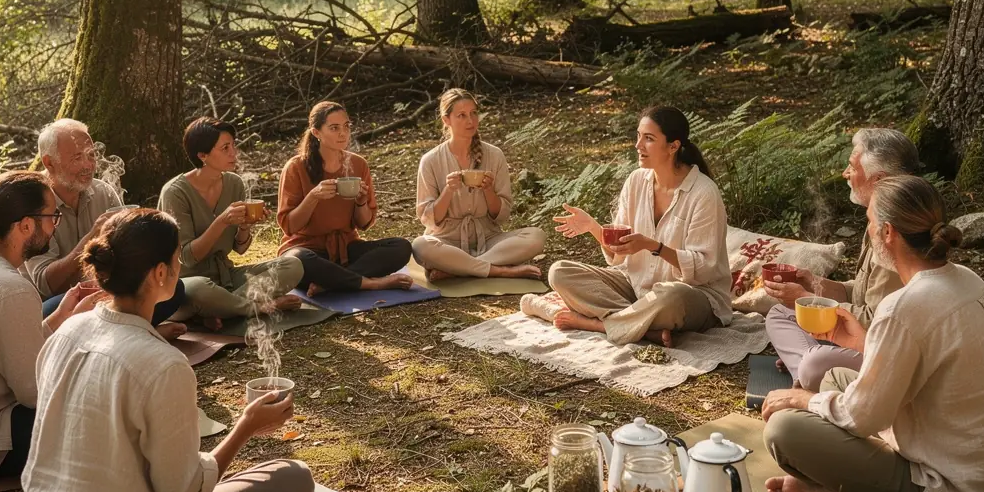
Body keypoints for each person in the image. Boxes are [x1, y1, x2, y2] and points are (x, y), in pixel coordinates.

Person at [22, 209, 315, 492]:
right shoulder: (163, 364)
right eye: (178, 258)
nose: (181, 266)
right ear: (160, 273)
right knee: (293, 477)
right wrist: (246, 426)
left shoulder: (70, 328)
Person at [762, 176, 984, 492]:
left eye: (870, 221)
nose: (868, 228)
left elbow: (861, 418)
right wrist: (862, 342)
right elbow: (925, 365)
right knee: (835, 378)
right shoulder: (967, 279)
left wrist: (802, 399)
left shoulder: (903, 306)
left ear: (888, 232)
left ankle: (855, 491)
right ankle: (850, 488)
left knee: (783, 429)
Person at [530, 106, 732, 346]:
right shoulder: (636, 180)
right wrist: (594, 227)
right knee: (560, 272)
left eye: (648, 138)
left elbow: (704, 268)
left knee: (670, 297)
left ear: (673, 146)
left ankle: (601, 324)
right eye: (638, 136)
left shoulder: (704, 192)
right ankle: (644, 327)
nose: (638, 145)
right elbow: (620, 250)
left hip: (692, 295)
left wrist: (653, 246)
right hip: (635, 286)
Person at [763, 128, 919, 389]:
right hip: (860, 336)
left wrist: (805, 300)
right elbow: (861, 294)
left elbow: (878, 323)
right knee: (781, 314)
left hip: (886, 350)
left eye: (851, 167)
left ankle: (809, 373)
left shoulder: (894, 233)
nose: (845, 174)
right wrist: (815, 286)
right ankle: (810, 368)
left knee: (816, 362)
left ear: (878, 179)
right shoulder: (879, 219)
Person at [0, 172, 93, 479]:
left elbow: (12, 346)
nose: (56, 225)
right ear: (26, 225)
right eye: (52, 216)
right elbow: (33, 393)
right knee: (97, 401)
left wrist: (62, 316)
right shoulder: (9, 287)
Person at [29, 118, 187, 338]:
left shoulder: (103, 191)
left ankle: (132, 333)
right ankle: (139, 333)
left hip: (103, 291)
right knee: (52, 310)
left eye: (91, 155)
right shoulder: (35, 202)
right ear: (49, 163)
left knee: (172, 287)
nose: (88, 165)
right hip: (57, 303)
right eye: (77, 158)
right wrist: (92, 236)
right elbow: (46, 285)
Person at [158, 118, 303, 320]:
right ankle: (259, 307)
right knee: (201, 289)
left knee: (292, 266)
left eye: (233, 145)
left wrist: (244, 227)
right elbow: (188, 257)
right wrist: (222, 221)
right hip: (187, 282)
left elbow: (240, 249)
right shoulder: (175, 193)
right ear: (202, 155)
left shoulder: (234, 183)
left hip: (226, 277)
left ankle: (222, 308)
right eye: (225, 148)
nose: (234, 153)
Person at [277, 102, 413, 295]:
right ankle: (371, 283)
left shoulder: (358, 164)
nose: (343, 133)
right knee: (298, 260)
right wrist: (313, 196)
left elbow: (364, 224)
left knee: (401, 247)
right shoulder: (296, 167)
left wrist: (361, 201)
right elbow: (289, 226)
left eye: (346, 126)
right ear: (316, 132)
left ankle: (331, 282)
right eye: (334, 128)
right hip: (309, 250)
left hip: (346, 250)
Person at [411, 88, 545, 281]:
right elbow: (430, 220)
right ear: (446, 120)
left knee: (536, 236)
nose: (471, 121)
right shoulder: (430, 160)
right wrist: (448, 190)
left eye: (474, 113)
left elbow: (501, 216)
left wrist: (489, 190)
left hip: (490, 240)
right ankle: (498, 270)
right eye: (462, 115)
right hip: (447, 241)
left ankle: (458, 269)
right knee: (420, 246)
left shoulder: (494, 155)